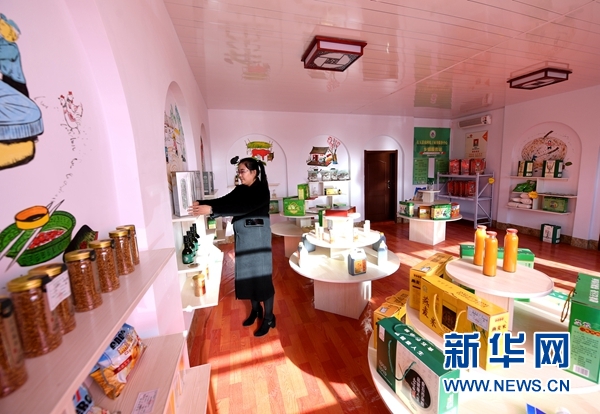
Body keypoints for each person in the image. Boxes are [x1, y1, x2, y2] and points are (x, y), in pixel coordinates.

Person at [188, 157, 276, 337]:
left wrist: (212, 211)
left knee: (262, 278)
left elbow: (242, 208)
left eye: (242, 171)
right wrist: (202, 203)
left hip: (258, 240)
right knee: (247, 275)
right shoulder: (241, 189)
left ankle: (269, 317)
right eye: (239, 171)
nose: (239, 175)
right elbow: (224, 201)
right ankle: (256, 310)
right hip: (244, 238)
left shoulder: (261, 191)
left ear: (254, 172)